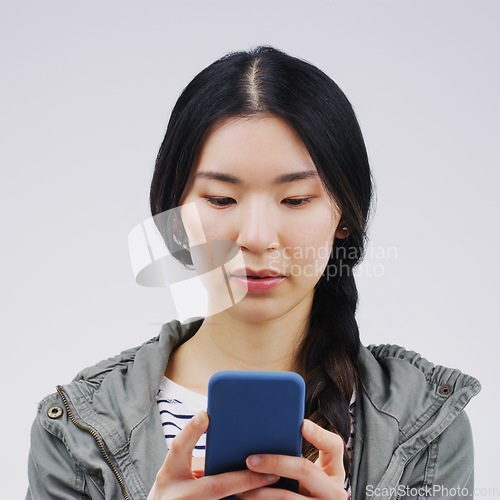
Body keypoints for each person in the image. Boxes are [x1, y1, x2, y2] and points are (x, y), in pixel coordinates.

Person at [26, 46, 481, 500]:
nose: (258, 238)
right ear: (174, 216)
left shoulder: (428, 424)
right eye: (222, 200)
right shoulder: (77, 432)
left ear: (343, 216)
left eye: (296, 199)